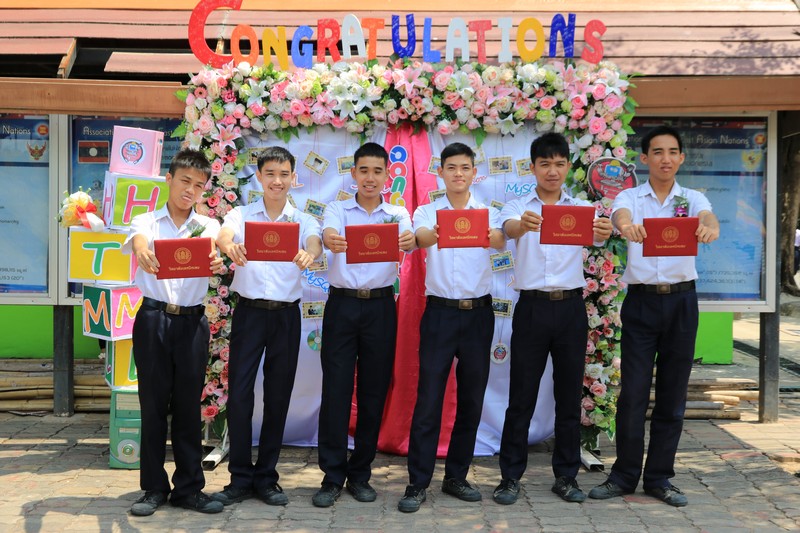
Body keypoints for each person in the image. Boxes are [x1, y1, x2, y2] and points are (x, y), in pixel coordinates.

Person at [588, 125, 719, 507]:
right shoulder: (631, 196)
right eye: (657, 152)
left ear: (681, 158)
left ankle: (660, 478)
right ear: (645, 158)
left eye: (672, 152)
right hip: (642, 304)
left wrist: (709, 229)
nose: (665, 159)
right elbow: (621, 215)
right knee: (632, 393)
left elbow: (708, 219)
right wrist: (625, 226)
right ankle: (624, 476)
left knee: (672, 395)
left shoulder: (692, 198)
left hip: (682, 303)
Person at [491, 133, 613, 506]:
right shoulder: (518, 207)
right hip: (531, 308)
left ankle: (566, 476)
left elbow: (599, 237)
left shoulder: (581, 209)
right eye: (545, 164)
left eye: (559, 163)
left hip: (571, 309)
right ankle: (510, 477)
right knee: (521, 396)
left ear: (567, 167)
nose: (552, 171)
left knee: (568, 397)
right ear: (532, 168)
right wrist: (522, 226)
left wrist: (603, 231)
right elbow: (506, 231)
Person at [398, 142, 505, 513]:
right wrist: (445, 230)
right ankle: (417, 483)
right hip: (440, 314)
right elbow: (420, 239)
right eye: (452, 168)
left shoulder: (489, 212)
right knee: (428, 398)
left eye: (465, 167)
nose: (458, 174)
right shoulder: (427, 210)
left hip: (478, 314)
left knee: (472, 400)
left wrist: (488, 232)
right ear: (440, 172)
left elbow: (501, 239)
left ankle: (456, 476)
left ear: (474, 172)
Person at [212, 146, 322, 507]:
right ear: (258, 176)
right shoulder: (241, 215)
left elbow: (315, 242)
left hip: (286, 316)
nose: (277, 181)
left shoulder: (302, 219)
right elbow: (223, 236)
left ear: (293, 178)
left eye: (284, 174)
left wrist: (310, 253)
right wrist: (229, 247)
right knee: (240, 395)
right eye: (270, 173)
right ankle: (239, 477)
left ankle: (267, 477)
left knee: (278, 395)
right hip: (249, 314)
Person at [312, 142, 416, 507]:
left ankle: (360, 474)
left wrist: (410, 239)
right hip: (341, 306)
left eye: (377, 171)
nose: (370, 178)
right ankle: (331, 476)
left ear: (387, 176)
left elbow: (411, 239)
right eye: (364, 171)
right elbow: (327, 233)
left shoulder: (397, 213)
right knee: (336, 391)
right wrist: (329, 239)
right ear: (354, 173)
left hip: (380, 308)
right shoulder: (337, 209)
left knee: (373, 392)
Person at [123, 148, 224, 516]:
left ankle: (189, 489)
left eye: (198, 185)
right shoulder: (147, 221)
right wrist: (142, 252)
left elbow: (216, 252)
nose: (190, 190)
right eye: (184, 181)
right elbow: (138, 242)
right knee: (152, 406)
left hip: (193, 323)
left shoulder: (208, 226)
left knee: (187, 408)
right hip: (153, 319)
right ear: (169, 179)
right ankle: (153, 488)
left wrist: (217, 261)